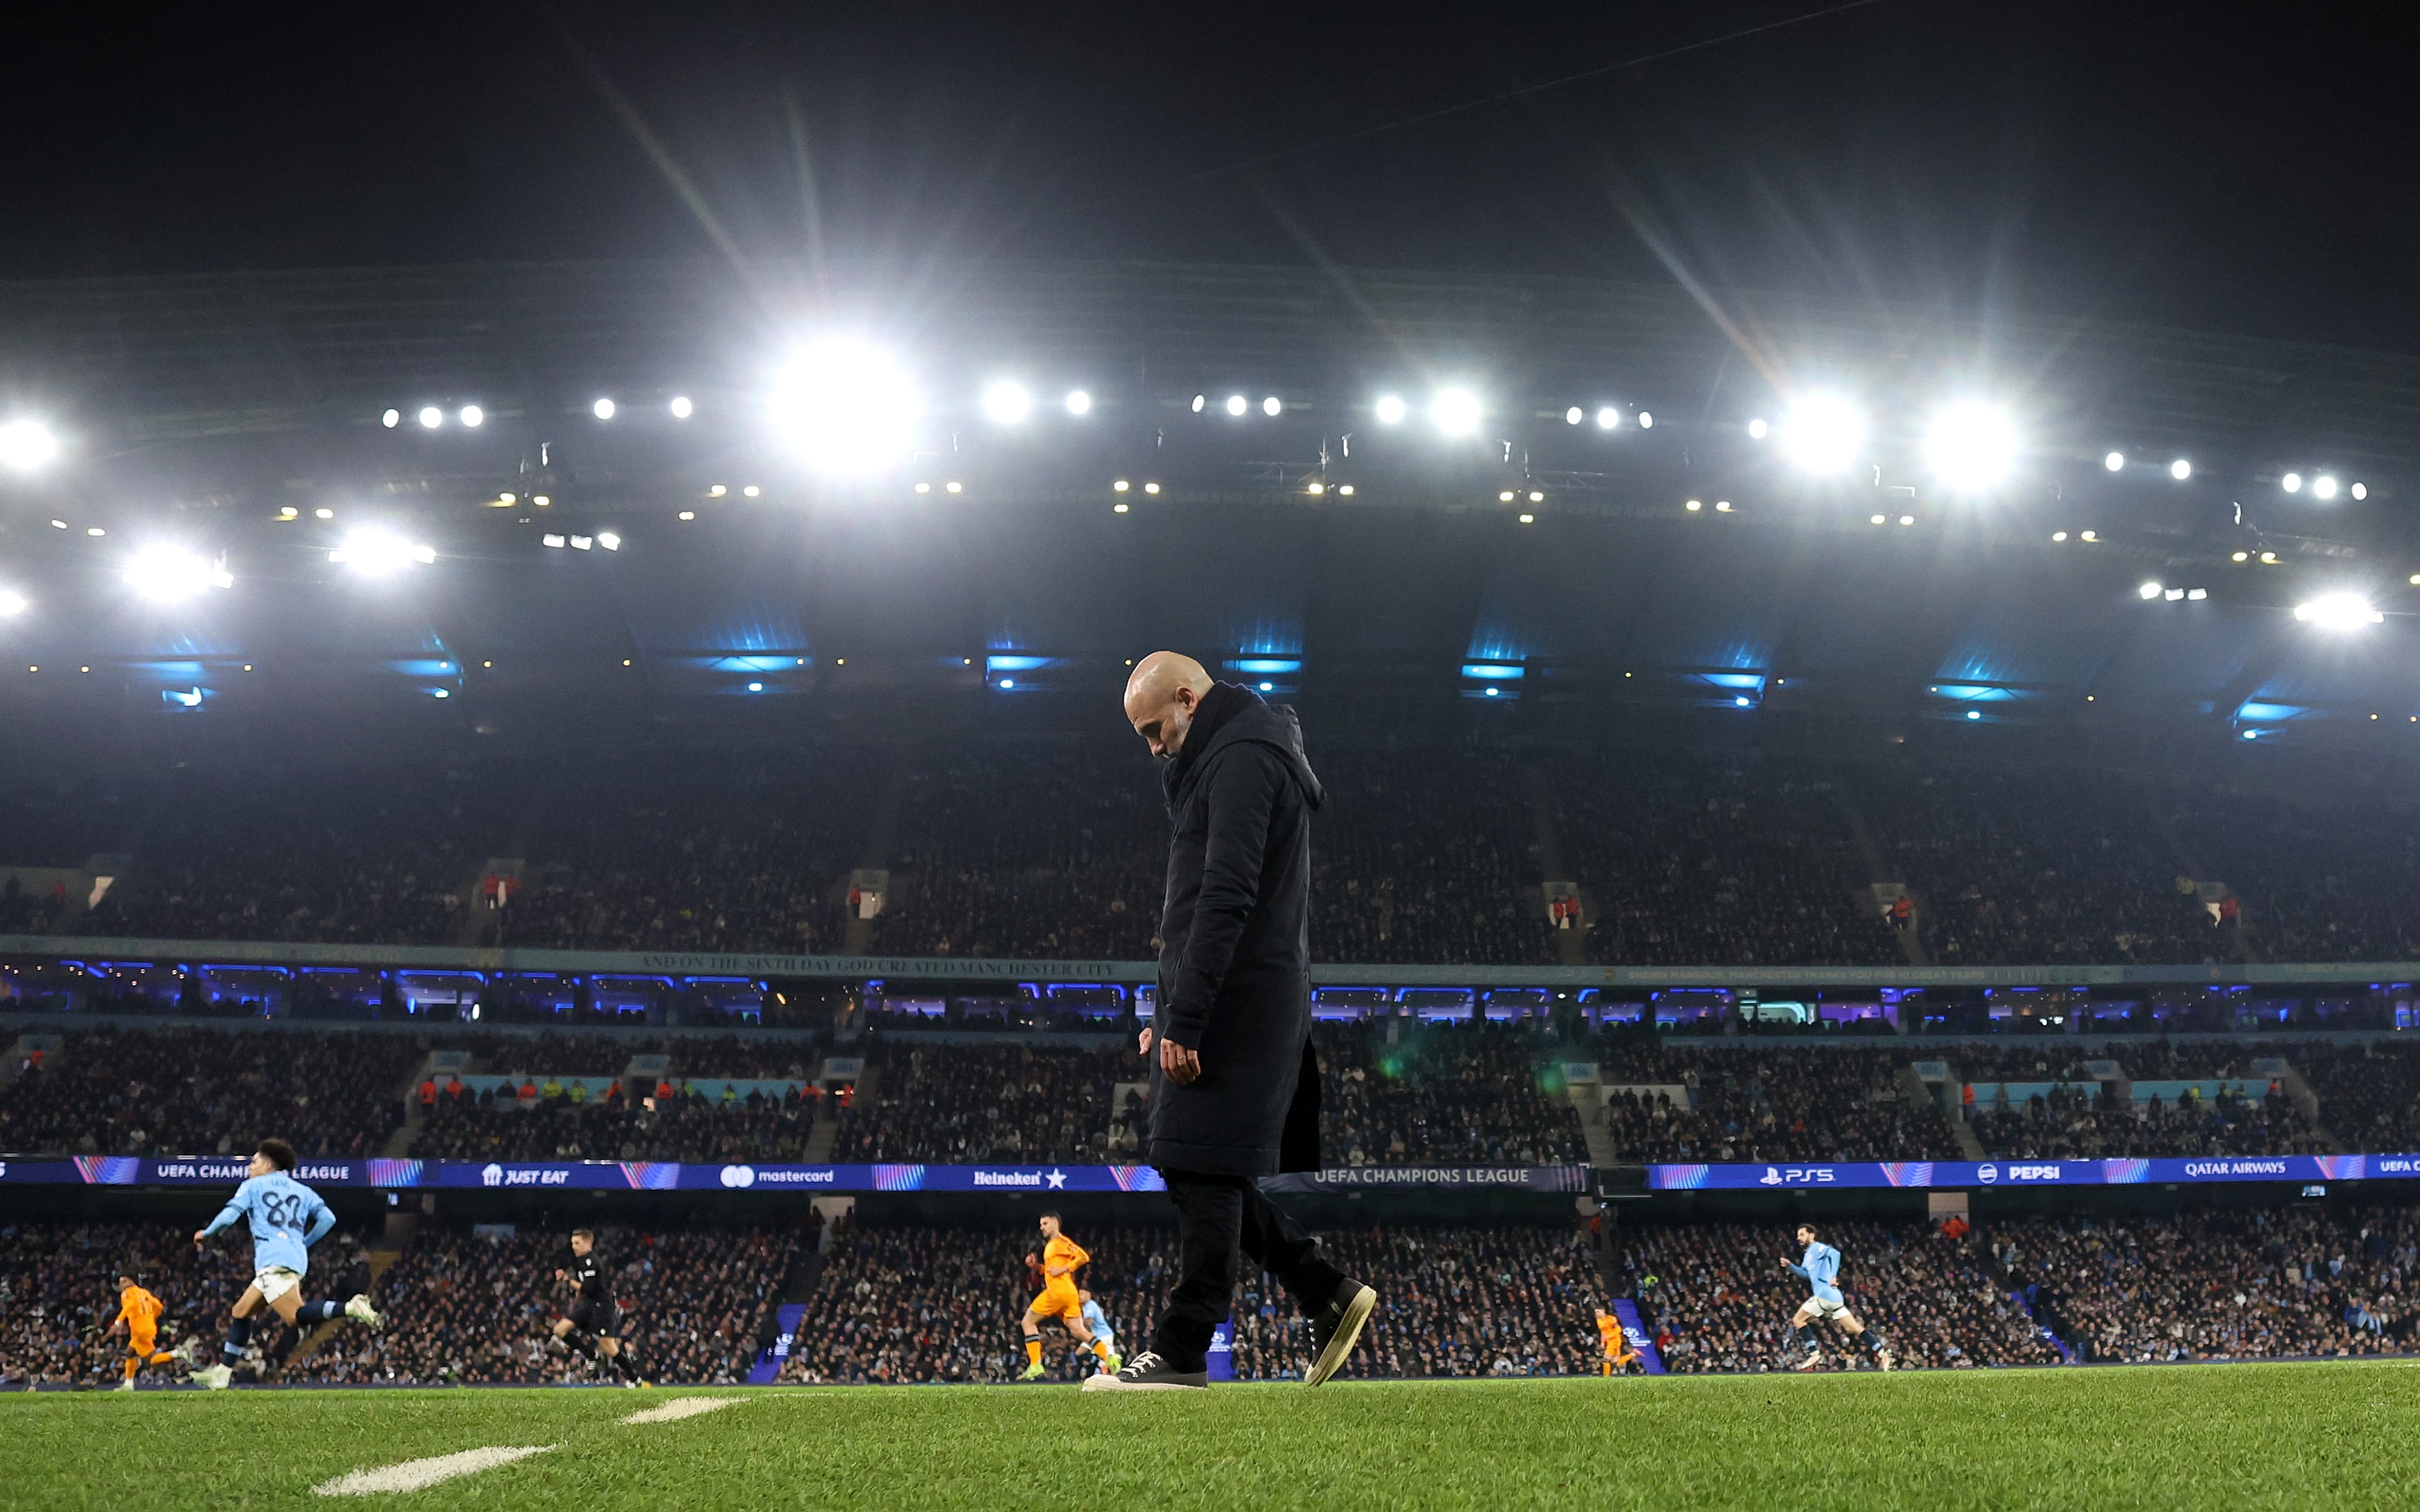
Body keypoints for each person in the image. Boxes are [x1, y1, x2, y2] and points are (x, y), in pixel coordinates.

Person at [1087, 652, 1375, 1393]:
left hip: (1236, 1001)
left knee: (1195, 1158)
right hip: (1226, 996)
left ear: (1188, 698)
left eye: (1155, 728)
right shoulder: (1225, 755)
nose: (1152, 747)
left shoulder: (1244, 758)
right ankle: (1327, 1293)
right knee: (1200, 1159)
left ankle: (1184, 1347)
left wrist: (1187, 1012)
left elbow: (1224, 895)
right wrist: (1167, 1006)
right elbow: (1191, 909)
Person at [189, 1137, 382, 1389]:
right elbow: (328, 1218)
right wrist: (304, 1243)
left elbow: (229, 1216)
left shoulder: (253, 1186)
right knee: (240, 1311)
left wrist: (207, 1233)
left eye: (254, 1162)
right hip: (294, 1257)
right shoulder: (302, 1190)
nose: (249, 1167)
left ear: (268, 1165)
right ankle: (222, 1374)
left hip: (273, 1259)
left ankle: (349, 1307)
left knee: (296, 1319)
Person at [1018, 1213, 1119, 1380]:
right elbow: (1049, 1271)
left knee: (1027, 1322)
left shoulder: (1060, 1242)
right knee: (1079, 1331)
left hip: (1058, 1291)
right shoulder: (1052, 1245)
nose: (1041, 1227)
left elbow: (1083, 1257)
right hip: (1069, 1294)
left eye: (1045, 1223)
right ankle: (1110, 1357)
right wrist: (1034, 1266)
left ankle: (1035, 1365)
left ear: (1055, 1223)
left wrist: (1064, 1269)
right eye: (1041, 1224)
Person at [1780, 1223, 1890, 1372]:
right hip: (1835, 1299)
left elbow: (1836, 1254)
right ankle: (1882, 1352)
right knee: (1854, 1328)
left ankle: (1814, 1353)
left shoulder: (1817, 1247)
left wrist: (1833, 1276)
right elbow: (1806, 1274)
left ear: (1811, 1235)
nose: (1799, 1238)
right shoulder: (1808, 1255)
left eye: (1802, 1235)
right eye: (1798, 1235)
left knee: (1798, 1320)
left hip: (1824, 1295)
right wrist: (1790, 1266)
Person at [554, 1227, 643, 1386]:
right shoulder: (581, 1260)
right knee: (560, 1330)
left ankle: (635, 1379)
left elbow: (588, 1288)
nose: (573, 1246)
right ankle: (591, 1356)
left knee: (608, 1345)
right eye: (572, 1243)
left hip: (601, 1307)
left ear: (588, 1243)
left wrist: (569, 1281)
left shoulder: (591, 1261)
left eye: (577, 1243)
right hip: (588, 1304)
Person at [105, 1271, 185, 1390]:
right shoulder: (144, 1292)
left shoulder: (126, 1293)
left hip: (140, 1331)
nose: (122, 1284)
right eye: (121, 1282)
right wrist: (151, 1317)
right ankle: (128, 1384)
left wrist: (118, 1323)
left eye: (124, 1281)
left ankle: (176, 1353)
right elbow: (159, 1306)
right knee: (130, 1353)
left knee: (151, 1360)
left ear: (132, 1281)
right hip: (150, 1328)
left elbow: (128, 1306)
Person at [1593, 1307, 1642, 1377]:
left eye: (1598, 1312)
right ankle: (1633, 1354)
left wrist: (1610, 1336)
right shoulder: (1599, 1320)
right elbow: (1603, 1331)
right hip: (1609, 1342)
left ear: (1603, 1311)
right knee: (1615, 1363)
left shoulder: (1611, 1319)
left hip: (1615, 1340)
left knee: (1606, 1359)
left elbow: (1619, 1329)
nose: (1596, 1314)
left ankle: (1606, 1378)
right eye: (1595, 1312)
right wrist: (1603, 1342)